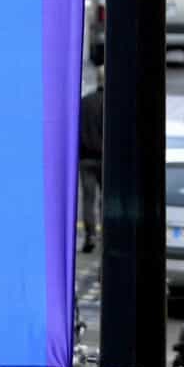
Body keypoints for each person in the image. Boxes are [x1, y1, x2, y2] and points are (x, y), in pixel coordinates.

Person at [78, 68, 104, 254]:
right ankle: (107, 234)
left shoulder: (84, 102)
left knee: (88, 198)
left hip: (86, 158)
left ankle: (90, 235)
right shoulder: (113, 103)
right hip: (106, 160)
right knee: (107, 199)